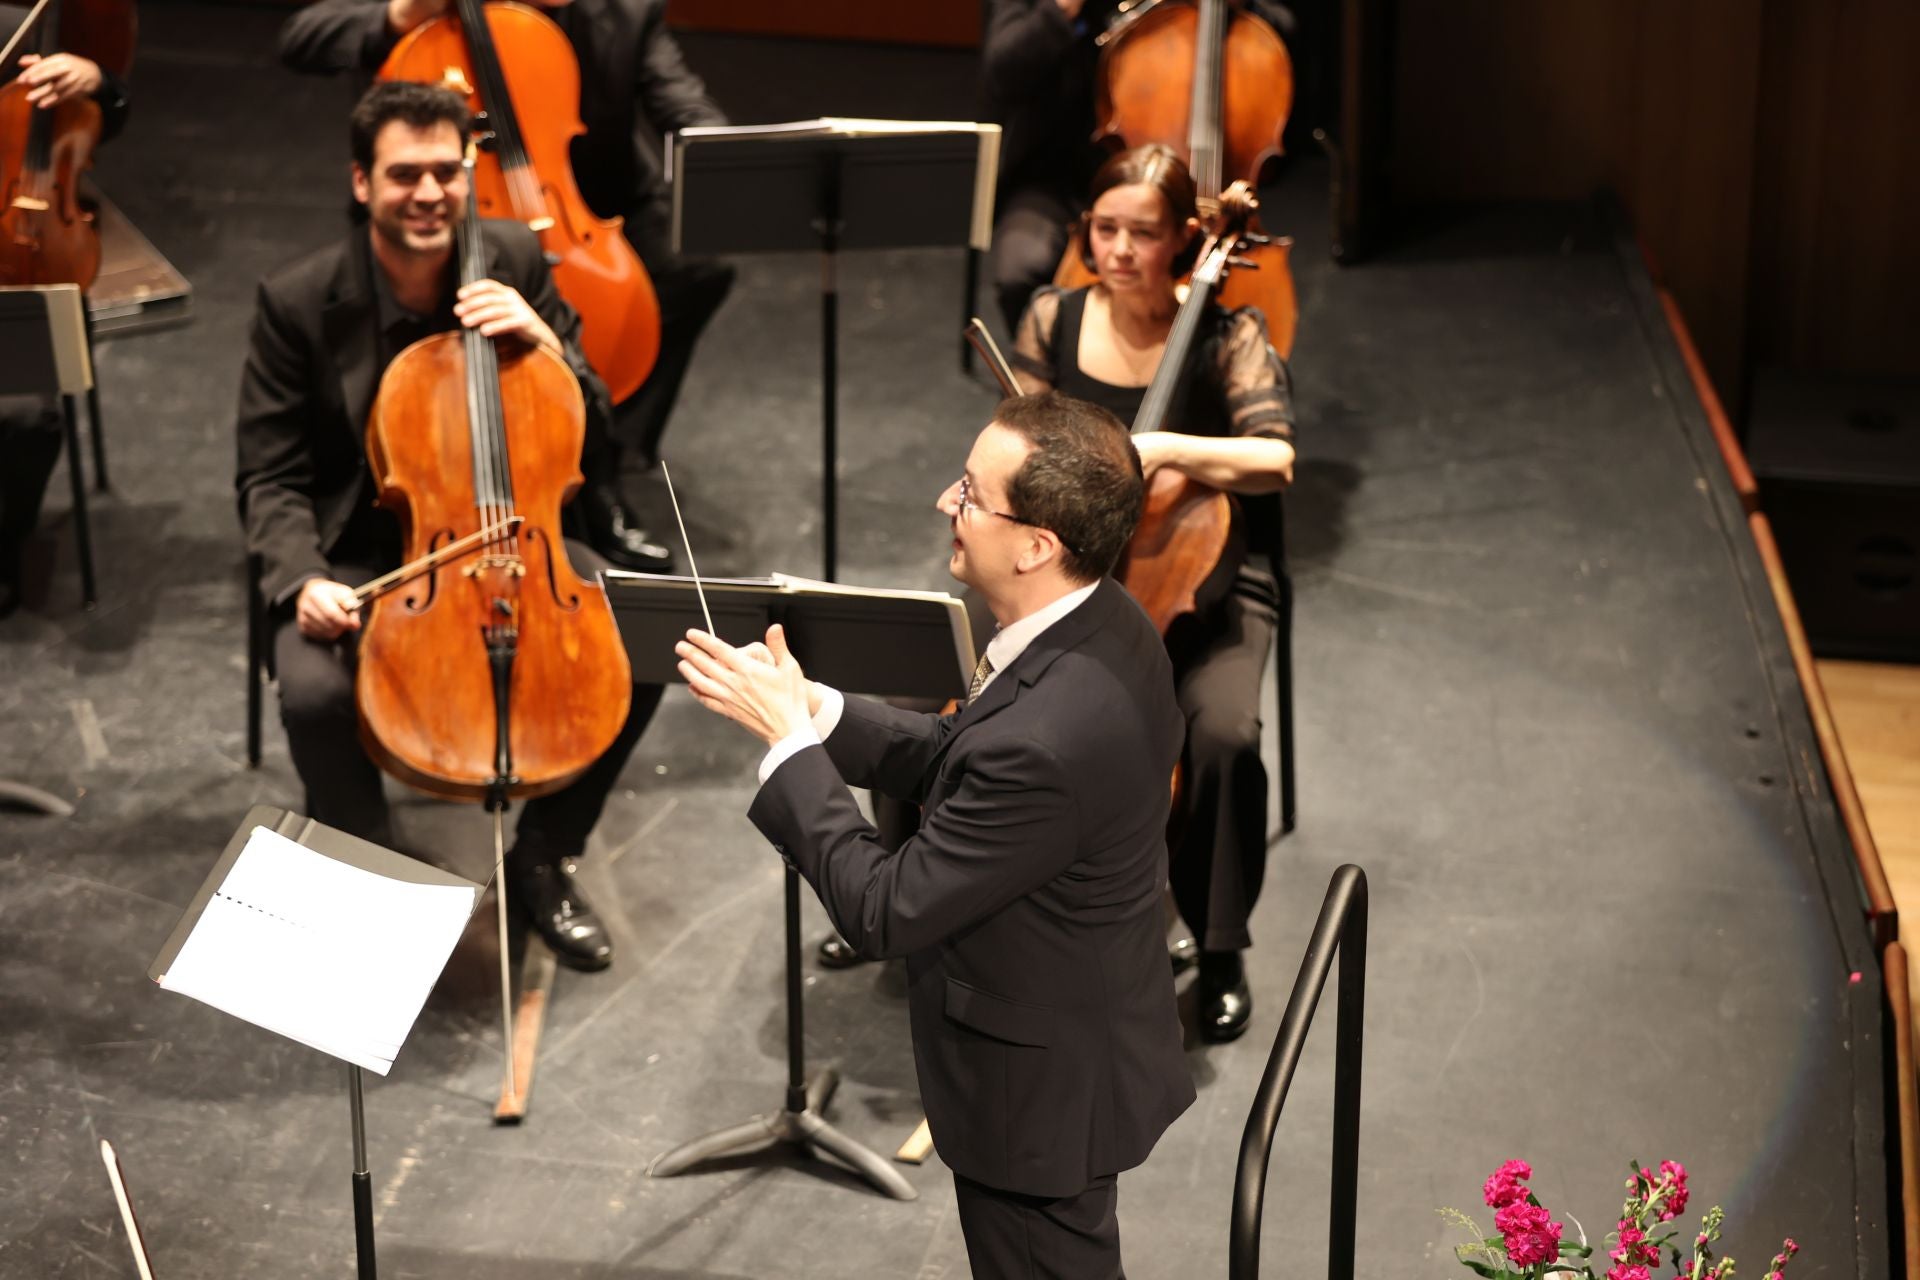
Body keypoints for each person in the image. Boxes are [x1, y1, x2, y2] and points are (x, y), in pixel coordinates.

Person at [677, 392, 1192, 1279]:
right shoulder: (1101, 620)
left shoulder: (1049, 738)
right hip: (1079, 1030)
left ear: (1036, 545)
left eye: (970, 494)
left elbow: (885, 910)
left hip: (1039, 1097)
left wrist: (788, 749)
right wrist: (815, 709)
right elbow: (963, 753)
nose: (945, 503)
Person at [234, 81, 660, 971]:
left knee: (649, 642)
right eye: (404, 175)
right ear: (362, 182)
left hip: (516, 537)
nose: (429, 194)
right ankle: (368, 878)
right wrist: (304, 578)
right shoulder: (299, 300)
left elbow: (597, 426)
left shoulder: (515, 258)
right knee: (312, 691)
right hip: (363, 550)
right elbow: (270, 474)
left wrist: (546, 340)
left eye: (446, 172)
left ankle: (543, 855)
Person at [278, 0, 737, 572]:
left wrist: (724, 154)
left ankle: (606, 458)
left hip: (584, 196)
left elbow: (679, 98)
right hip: (462, 204)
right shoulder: (444, 13)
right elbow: (303, 37)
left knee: (696, 270)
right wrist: (401, 15)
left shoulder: (623, 10)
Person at [1010, 142, 1297, 1043]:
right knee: (927, 695)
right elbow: (1017, 446)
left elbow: (1276, 458)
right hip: (1068, 576)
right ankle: (915, 901)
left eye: (1143, 233)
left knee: (1221, 737)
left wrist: (1168, 449)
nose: (1121, 250)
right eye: (1106, 229)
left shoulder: (1225, 335)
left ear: (1183, 239)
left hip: (1203, 584)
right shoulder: (1053, 319)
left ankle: (1218, 945)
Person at [0, 13, 129, 616]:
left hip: (21, 264)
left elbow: (115, 113)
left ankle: (7, 542)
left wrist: (97, 80)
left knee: (28, 419)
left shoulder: (12, 30)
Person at [979, 0, 1113, 333]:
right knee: (1019, 273)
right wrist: (1059, 11)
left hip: (1141, 179)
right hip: (1049, 177)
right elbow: (1002, 71)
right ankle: (1040, 358)